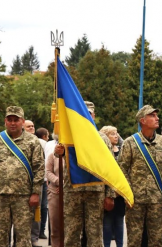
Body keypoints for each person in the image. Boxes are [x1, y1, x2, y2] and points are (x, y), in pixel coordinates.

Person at [0, 106, 45, 247]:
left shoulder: (32, 141)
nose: (12, 123)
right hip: (0, 196)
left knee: (23, 238)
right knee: (0, 237)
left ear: (22, 121)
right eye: (9, 120)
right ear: (5, 121)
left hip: (24, 197)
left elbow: (39, 169)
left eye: (16, 120)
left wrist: (35, 193)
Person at [55, 101, 115, 247]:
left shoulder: (102, 139)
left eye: (88, 114)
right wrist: (58, 153)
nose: (84, 116)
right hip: (73, 191)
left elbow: (110, 167)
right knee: (71, 233)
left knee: (94, 235)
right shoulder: (67, 136)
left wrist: (110, 195)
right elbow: (59, 155)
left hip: (95, 192)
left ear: (93, 116)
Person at [118, 105, 162, 247]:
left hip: (158, 200)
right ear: (142, 120)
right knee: (134, 241)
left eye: (156, 115)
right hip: (135, 201)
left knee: (156, 241)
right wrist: (128, 194)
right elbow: (122, 170)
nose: (157, 118)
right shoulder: (130, 143)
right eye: (152, 116)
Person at [100, 125, 125, 247]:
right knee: (107, 223)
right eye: (112, 134)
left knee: (119, 222)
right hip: (105, 192)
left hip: (120, 192)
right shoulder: (102, 152)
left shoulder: (121, 150)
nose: (116, 136)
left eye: (117, 133)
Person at [34, 128, 49, 240]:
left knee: (42, 207)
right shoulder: (41, 142)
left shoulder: (44, 144)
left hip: (43, 179)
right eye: (29, 126)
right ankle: (38, 232)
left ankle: (41, 231)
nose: (31, 128)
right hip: (35, 180)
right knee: (38, 207)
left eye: (32, 126)